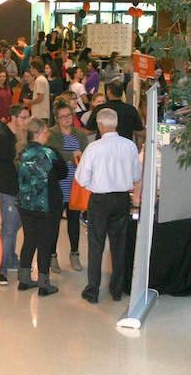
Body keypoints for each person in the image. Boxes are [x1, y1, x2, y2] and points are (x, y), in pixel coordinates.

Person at [75, 109, 142, 304]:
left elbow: (81, 179)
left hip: (99, 200)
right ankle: (117, 289)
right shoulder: (129, 146)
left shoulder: (94, 148)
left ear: (100, 125)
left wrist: (93, 185)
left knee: (96, 245)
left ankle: (93, 290)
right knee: (118, 245)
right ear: (116, 123)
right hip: (121, 199)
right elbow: (137, 176)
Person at [15, 117, 67, 296]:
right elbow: (63, 172)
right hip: (46, 204)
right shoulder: (49, 153)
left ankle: (24, 279)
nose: (48, 134)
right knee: (45, 242)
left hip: (25, 204)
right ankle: (44, 284)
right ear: (37, 134)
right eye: (46, 132)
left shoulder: (22, 152)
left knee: (29, 240)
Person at [47, 101, 89, 273]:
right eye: (63, 117)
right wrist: (72, 155)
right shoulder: (51, 134)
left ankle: (74, 254)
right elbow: (53, 154)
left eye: (69, 116)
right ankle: (52, 256)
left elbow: (86, 154)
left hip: (75, 186)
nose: (67, 120)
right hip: (58, 186)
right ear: (56, 119)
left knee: (74, 221)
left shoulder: (79, 134)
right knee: (54, 223)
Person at [0, 104, 30, 286]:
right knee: (8, 228)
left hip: (20, 189)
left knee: (14, 225)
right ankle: (0, 269)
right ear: (13, 118)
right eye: (23, 117)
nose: (26, 121)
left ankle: (11, 258)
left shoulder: (21, 136)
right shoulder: (3, 137)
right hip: (8, 190)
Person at [25, 58, 49, 123]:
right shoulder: (43, 79)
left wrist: (30, 102)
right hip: (43, 113)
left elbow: (40, 98)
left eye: (31, 68)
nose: (30, 70)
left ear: (35, 69)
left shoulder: (39, 80)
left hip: (39, 113)